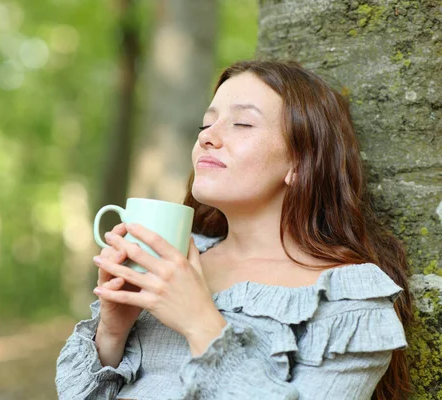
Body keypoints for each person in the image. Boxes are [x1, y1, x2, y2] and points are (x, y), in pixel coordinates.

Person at [55, 60, 413, 400]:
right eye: (205, 125)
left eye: (242, 124)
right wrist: (112, 331)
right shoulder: (173, 256)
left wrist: (200, 323)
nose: (208, 137)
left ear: (302, 164)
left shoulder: (348, 304)